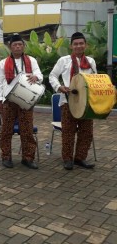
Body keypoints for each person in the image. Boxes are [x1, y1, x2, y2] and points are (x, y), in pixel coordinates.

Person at [49, 32, 97, 170]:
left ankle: (80, 158)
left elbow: (94, 80)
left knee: (87, 132)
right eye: (75, 44)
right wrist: (59, 87)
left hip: (86, 103)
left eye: (81, 43)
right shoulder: (63, 60)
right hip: (67, 101)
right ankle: (68, 159)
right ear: (71, 46)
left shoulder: (91, 62)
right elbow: (52, 76)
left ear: (85, 45)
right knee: (68, 132)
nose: (78, 46)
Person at [0, 33, 43, 169]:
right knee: (6, 130)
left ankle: (28, 158)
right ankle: (6, 157)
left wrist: (36, 77)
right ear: (10, 47)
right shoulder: (3, 63)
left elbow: (40, 74)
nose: (17, 47)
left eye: (20, 44)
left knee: (27, 130)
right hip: (8, 101)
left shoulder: (31, 60)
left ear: (23, 46)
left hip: (26, 101)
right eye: (15, 45)